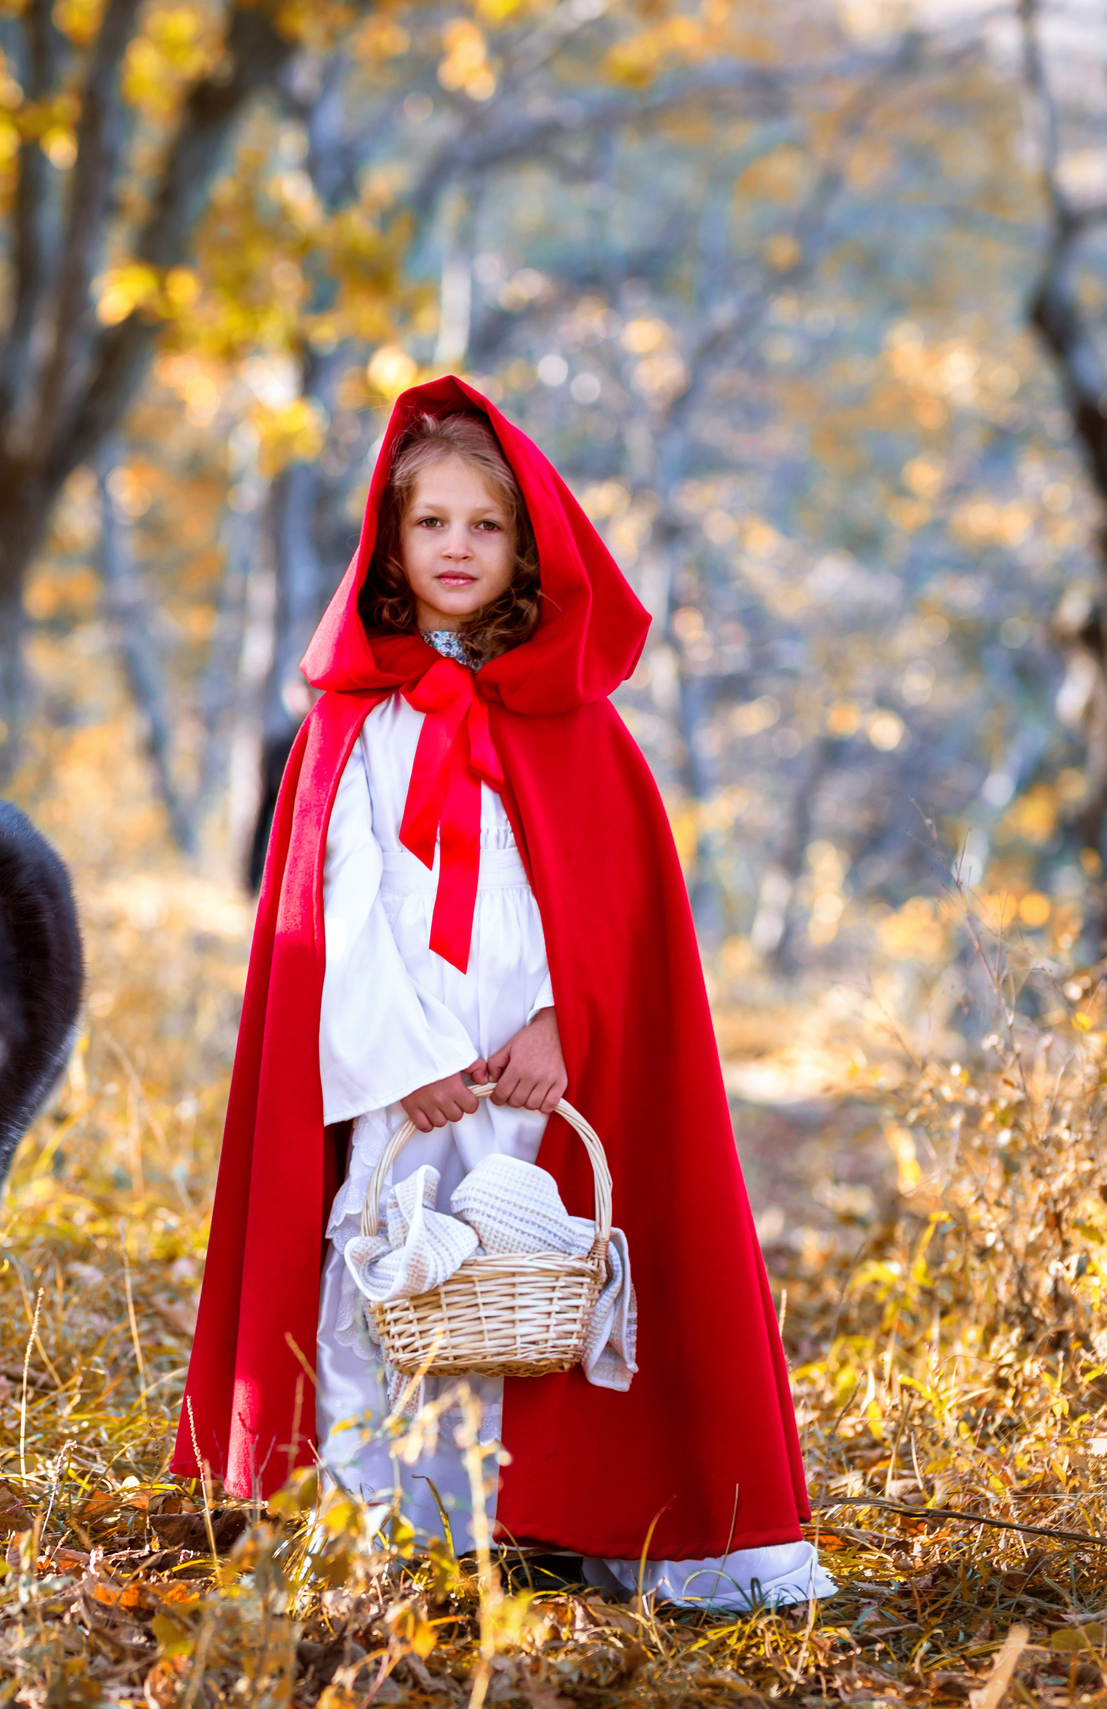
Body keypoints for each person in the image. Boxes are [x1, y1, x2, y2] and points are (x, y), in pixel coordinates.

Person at [173, 377, 830, 1610]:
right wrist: (401, 1055)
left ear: (525, 548)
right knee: (384, 1268)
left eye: (484, 526)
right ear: (391, 540)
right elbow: (340, 909)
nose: (458, 548)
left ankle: (511, 1510)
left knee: (524, 1280)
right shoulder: (351, 723)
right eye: (432, 525)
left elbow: (588, 910)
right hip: (399, 1066)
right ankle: (380, 1516)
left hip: (530, 1070)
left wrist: (554, 1025)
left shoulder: (579, 726)